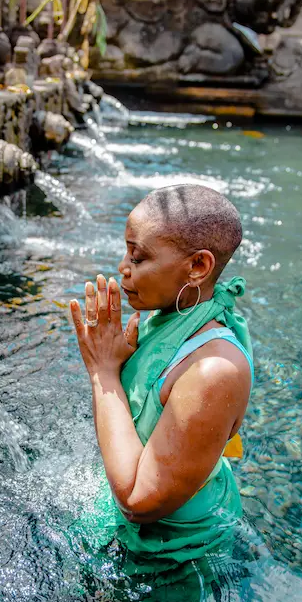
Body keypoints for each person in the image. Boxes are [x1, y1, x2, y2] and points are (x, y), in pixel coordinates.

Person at [69, 184, 253, 579]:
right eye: (126, 251)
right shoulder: (174, 315)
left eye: (138, 256)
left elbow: (139, 500)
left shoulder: (212, 371)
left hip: (176, 558)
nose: (123, 267)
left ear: (198, 267)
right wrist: (121, 363)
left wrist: (103, 374)